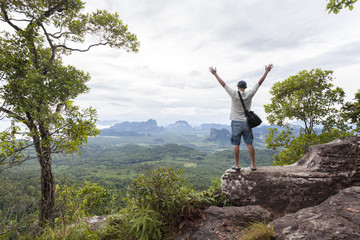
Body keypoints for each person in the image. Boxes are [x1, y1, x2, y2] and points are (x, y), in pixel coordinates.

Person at [209, 64, 273, 171]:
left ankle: (237, 165)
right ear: (245, 88)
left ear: (238, 87)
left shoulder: (234, 94)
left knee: (236, 144)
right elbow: (259, 83)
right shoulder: (250, 94)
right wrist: (266, 71)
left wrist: (215, 74)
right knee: (249, 143)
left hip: (236, 122)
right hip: (247, 122)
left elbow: (223, 84)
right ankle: (253, 165)